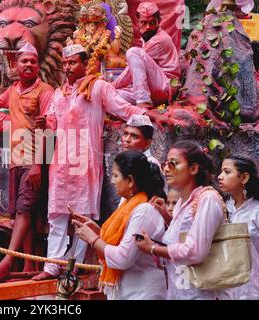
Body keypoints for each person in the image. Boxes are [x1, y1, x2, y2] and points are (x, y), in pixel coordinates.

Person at [33, 44, 171, 281]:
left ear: (84, 63)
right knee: (55, 216)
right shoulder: (59, 93)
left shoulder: (97, 87)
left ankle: (72, 268)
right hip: (61, 162)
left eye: (73, 62)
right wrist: (42, 125)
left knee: (82, 217)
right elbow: (51, 124)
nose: (67, 67)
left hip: (85, 162)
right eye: (65, 63)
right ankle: (52, 266)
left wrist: (151, 115)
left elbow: (123, 108)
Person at [0, 43, 54, 282]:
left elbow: (46, 128)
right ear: (16, 65)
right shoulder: (13, 89)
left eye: (32, 61)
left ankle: (8, 260)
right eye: (24, 61)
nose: (28, 65)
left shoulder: (45, 91)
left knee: (26, 210)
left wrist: (38, 165)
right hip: (16, 161)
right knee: (22, 212)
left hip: (34, 160)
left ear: (38, 66)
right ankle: (27, 262)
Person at [135, 140, 225, 299]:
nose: (167, 170)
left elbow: (195, 251)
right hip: (179, 291)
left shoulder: (207, 199)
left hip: (199, 294)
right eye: (166, 164)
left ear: (193, 168)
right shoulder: (182, 202)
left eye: (174, 164)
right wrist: (168, 217)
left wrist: (153, 248)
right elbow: (186, 232)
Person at [71, 150, 166, 299]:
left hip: (142, 293)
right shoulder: (129, 206)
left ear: (130, 181)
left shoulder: (144, 211)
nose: (112, 181)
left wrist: (94, 240)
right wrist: (98, 232)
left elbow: (123, 258)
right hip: (130, 291)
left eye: (115, 176)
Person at [113, 2, 180, 109]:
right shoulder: (148, 36)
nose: (148, 27)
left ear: (159, 21)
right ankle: (142, 99)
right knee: (113, 95)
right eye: (144, 23)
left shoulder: (159, 40)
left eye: (152, 22)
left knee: (132, 52)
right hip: (154, 89)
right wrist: (111, 89)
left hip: (165, 86)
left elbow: (129, 73)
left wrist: (111, 85)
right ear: (137, 22)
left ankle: (143, 101)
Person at [218, 155, 259, 300]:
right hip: (223, 287)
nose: (220, 176)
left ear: (244, 177)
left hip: (251, 288)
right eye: (221, 171)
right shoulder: (221, 207)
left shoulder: (256, 210)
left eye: (227, 172)